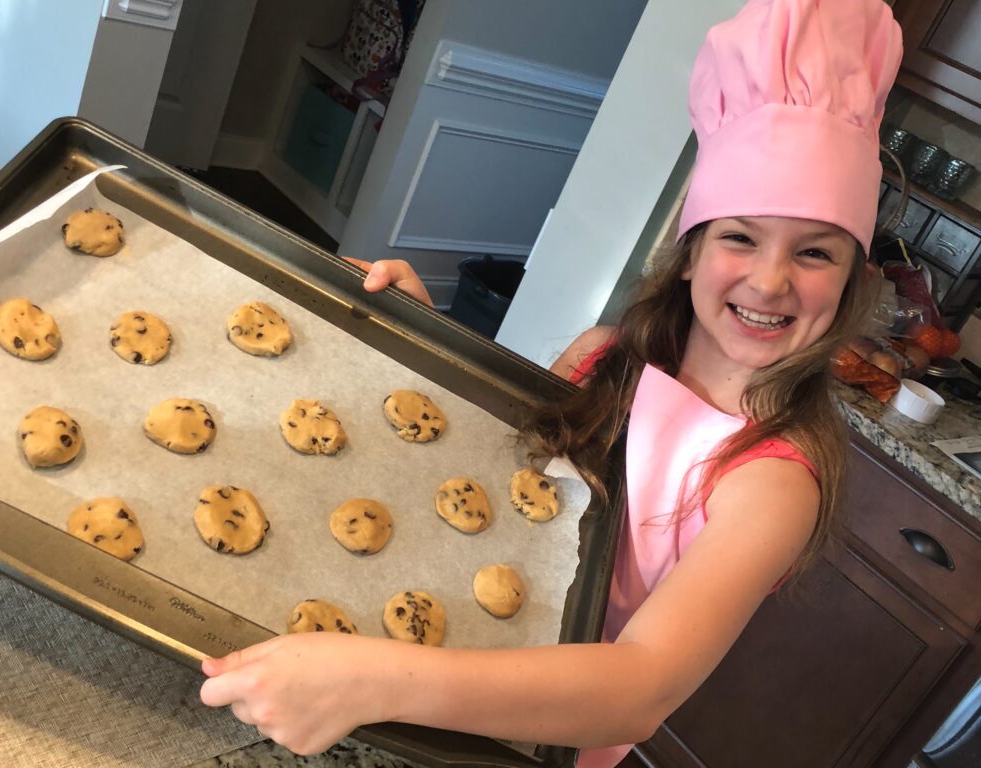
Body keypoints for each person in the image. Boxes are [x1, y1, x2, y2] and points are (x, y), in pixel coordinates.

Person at [199, 1, 903, 765]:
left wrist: (375, 684)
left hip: (536, 727)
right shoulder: (605, 356)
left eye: (815, 253)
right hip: (440, 642)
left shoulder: (771, 480)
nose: (769, 281)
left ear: (853, 280)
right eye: (740, 236)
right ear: (692, 250)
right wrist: (425, 332)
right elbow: (510, 464)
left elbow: (641, 685)